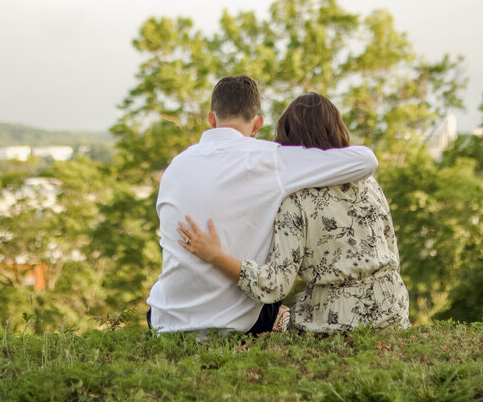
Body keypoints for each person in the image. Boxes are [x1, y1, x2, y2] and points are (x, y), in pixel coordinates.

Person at [146, 76, 379, 334]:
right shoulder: (271, 160)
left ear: (211, 120)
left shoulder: (176, 166)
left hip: (165, 320)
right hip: (233, 324)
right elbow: (366, 160)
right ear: (258, 123)